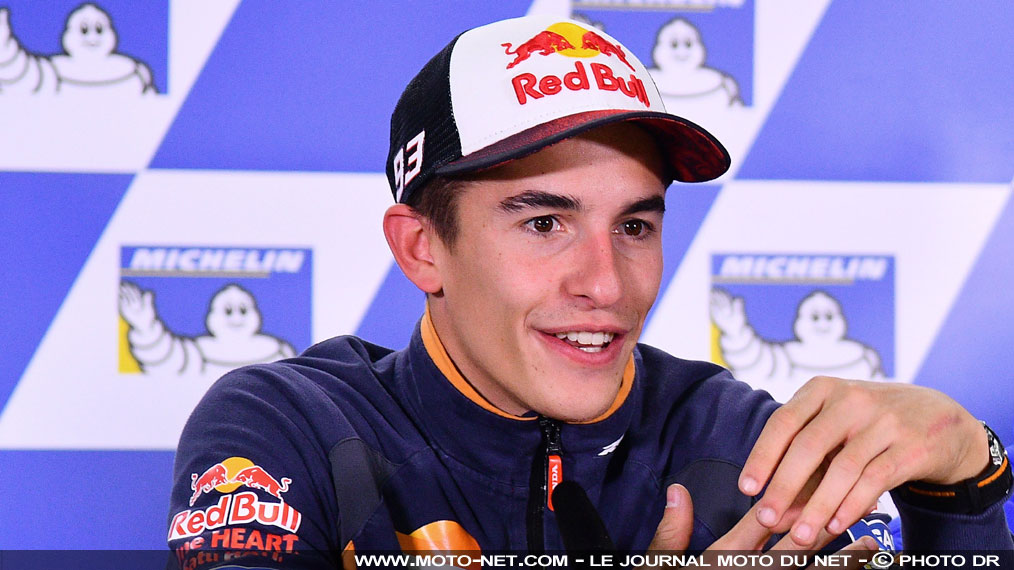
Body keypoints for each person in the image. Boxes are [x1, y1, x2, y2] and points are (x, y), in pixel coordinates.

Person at [167, 16, 1012, 569]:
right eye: (545, 223)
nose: (607, 284)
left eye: (635, 225)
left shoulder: (732, 438)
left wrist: (963, 490)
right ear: (422, 249)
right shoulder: (293, 425)